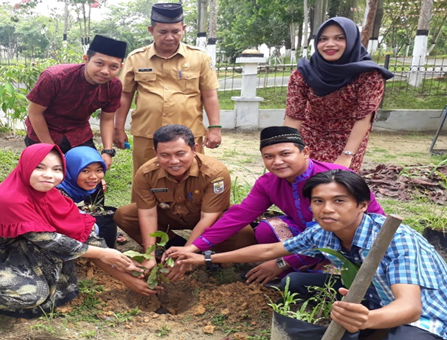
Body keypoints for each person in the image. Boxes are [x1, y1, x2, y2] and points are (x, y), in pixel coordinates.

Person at [169, 170, 447, 340]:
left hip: (424, 312)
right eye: (318, 201)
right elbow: (269, 250)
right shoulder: (323, 231)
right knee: (294, 282)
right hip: (367, 295)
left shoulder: (395, 239)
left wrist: (365, 320)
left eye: (339, 201)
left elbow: (410, 307)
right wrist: (204, 257)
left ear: (362, 205)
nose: (327, 209)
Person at [0, 144, 151, 333]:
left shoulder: (49, 194)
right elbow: (51, 241)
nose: (49, 175)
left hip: (0, 250)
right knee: (31, 294)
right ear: (25, 168)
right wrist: (105, 253)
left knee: (56, 279)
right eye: (39, 167)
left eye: (56, 169)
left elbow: (82, 229)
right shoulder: (11, 199)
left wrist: (125, 269)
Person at [168, 126, 384, 285]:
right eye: (269, 157)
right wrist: (194, 248)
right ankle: (296, 270)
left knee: (307, 280)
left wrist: (283, 262)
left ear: (305, 152)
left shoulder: (337, 180)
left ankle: (307, 271)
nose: (277, 162)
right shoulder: (268, 183)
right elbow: (239, 216)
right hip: (309, 236)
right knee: (266, 229)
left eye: (285, 154)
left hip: (349, 243)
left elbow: (377, 226)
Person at [114, 124, 256, 280]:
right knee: (125, 215)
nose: (173, 161)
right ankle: (171, 246)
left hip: (208, 219)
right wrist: (149, 254)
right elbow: (148, 215)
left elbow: (207, 218)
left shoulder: (215, 173)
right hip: (169, 215)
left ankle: (206, 254)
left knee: (244, 235)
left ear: (194, 149)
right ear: (155, 153)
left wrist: (187, 253)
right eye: (165, 155)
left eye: (180, 153)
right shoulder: (146, 173)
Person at [114, 3, 222, 175]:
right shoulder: (136, 58)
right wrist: (118, 129)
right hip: (147, 133)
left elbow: (210, 95)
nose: (170, 37)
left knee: (191, 177)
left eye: (175, 31)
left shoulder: (199, 58)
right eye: (163, 32)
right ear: (151, 30)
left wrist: (215, 128)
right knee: (146, 176)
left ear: (183, 29)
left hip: (188, 135)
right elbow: (124, 96)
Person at [283, 17, 394, 171]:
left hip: (348, 139)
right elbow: (294, 115)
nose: (329, 44)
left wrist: (347, 156)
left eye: (339, 38)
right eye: (323, 39)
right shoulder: (303, 73)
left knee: (337, 188)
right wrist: (286, 149)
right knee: (299, 184)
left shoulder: (369, 75)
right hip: (308, 136)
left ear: (352, 40)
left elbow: (364, 119)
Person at [25, 35, 127, 168]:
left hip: (79, 134)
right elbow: (35, 113)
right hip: (43, 132)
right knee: (50, 176)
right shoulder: (55, 77)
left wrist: (107, 151)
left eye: (113, 67)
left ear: (121, 67)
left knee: (91, 179)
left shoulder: (114, 85)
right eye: (99, 63)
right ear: (86, 59)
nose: (105, 71)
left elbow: (107, 119)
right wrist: (52, 150)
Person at [57, 146, 118, 248]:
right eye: (85, 171)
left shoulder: (68, 187)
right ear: (70, 170)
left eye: (99, 170)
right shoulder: (57, 194)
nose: (93, 176)